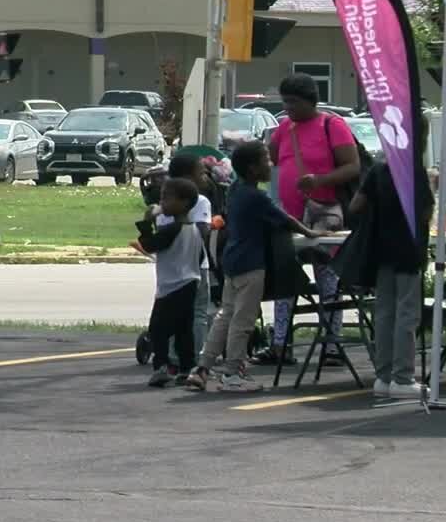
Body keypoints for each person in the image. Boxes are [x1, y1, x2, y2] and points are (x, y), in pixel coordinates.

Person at [186, 141, 328, 393]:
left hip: (232, 260)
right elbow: (285, 219)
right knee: (243, 320)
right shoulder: (256, 196)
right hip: (252, 265)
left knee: (225, 315)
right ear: (252, 169)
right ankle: (231, 373)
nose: (270, 165)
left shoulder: (237, 189)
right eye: (265, 161)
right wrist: (311, 232)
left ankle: (203, 367)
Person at [252, 74, 361, 366]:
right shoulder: (285, 127)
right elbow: (274, 156)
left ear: (310, 101)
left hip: (325, 212)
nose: (289, 108)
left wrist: (322, 179)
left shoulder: (332, 125)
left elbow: (352, 166)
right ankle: (280, 344)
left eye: (294, 102)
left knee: (327, 278)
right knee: (285, 278)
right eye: (285, 102)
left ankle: (332, 345)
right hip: (291, 214)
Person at [348, 116, 435, 400]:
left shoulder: (379, 171)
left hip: (381, 248)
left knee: (384, 313)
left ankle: (383, 375)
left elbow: (356, 205)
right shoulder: (414, 172)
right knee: (407, 314)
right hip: (408, 250)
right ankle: (403, 376)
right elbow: (425, 213)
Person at [136, 177, 205, 388]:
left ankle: (161, 366)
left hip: (171, 286)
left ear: (184, 203)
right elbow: (201, 257)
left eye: (167, 198)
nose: (162, 202)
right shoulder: (193, 229)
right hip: (191, 281)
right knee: (183, 329)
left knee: (158, 328)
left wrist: (147, 223)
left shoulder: (173, 229)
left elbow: (149, 245)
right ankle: (186, 367)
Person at [160, 153, 215, 370]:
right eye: (201, 172)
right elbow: (202, 231)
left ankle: (173, 356)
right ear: (188, 177)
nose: (205, 177)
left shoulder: (165, 203)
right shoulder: (200, 201)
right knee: (198, 313)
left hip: (171, 269)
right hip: (195, 267)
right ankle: (194, 357)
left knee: (173, 313)